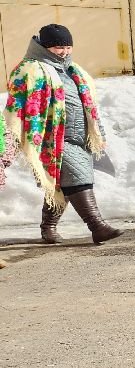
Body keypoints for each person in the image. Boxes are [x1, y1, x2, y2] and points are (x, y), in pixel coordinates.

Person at [3, 23, 122, 244]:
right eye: (59, 47)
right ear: (45, 46)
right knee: (78, 179)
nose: (64, 52)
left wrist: (100, 135)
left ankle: (48, 228)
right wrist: (10, 137)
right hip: (53, 139)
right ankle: (97, 227)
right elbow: (16, 105)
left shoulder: (74, 71)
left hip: (80, 138)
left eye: (68, 47)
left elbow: (90, 107)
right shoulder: (29, 69)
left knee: (62, 186)